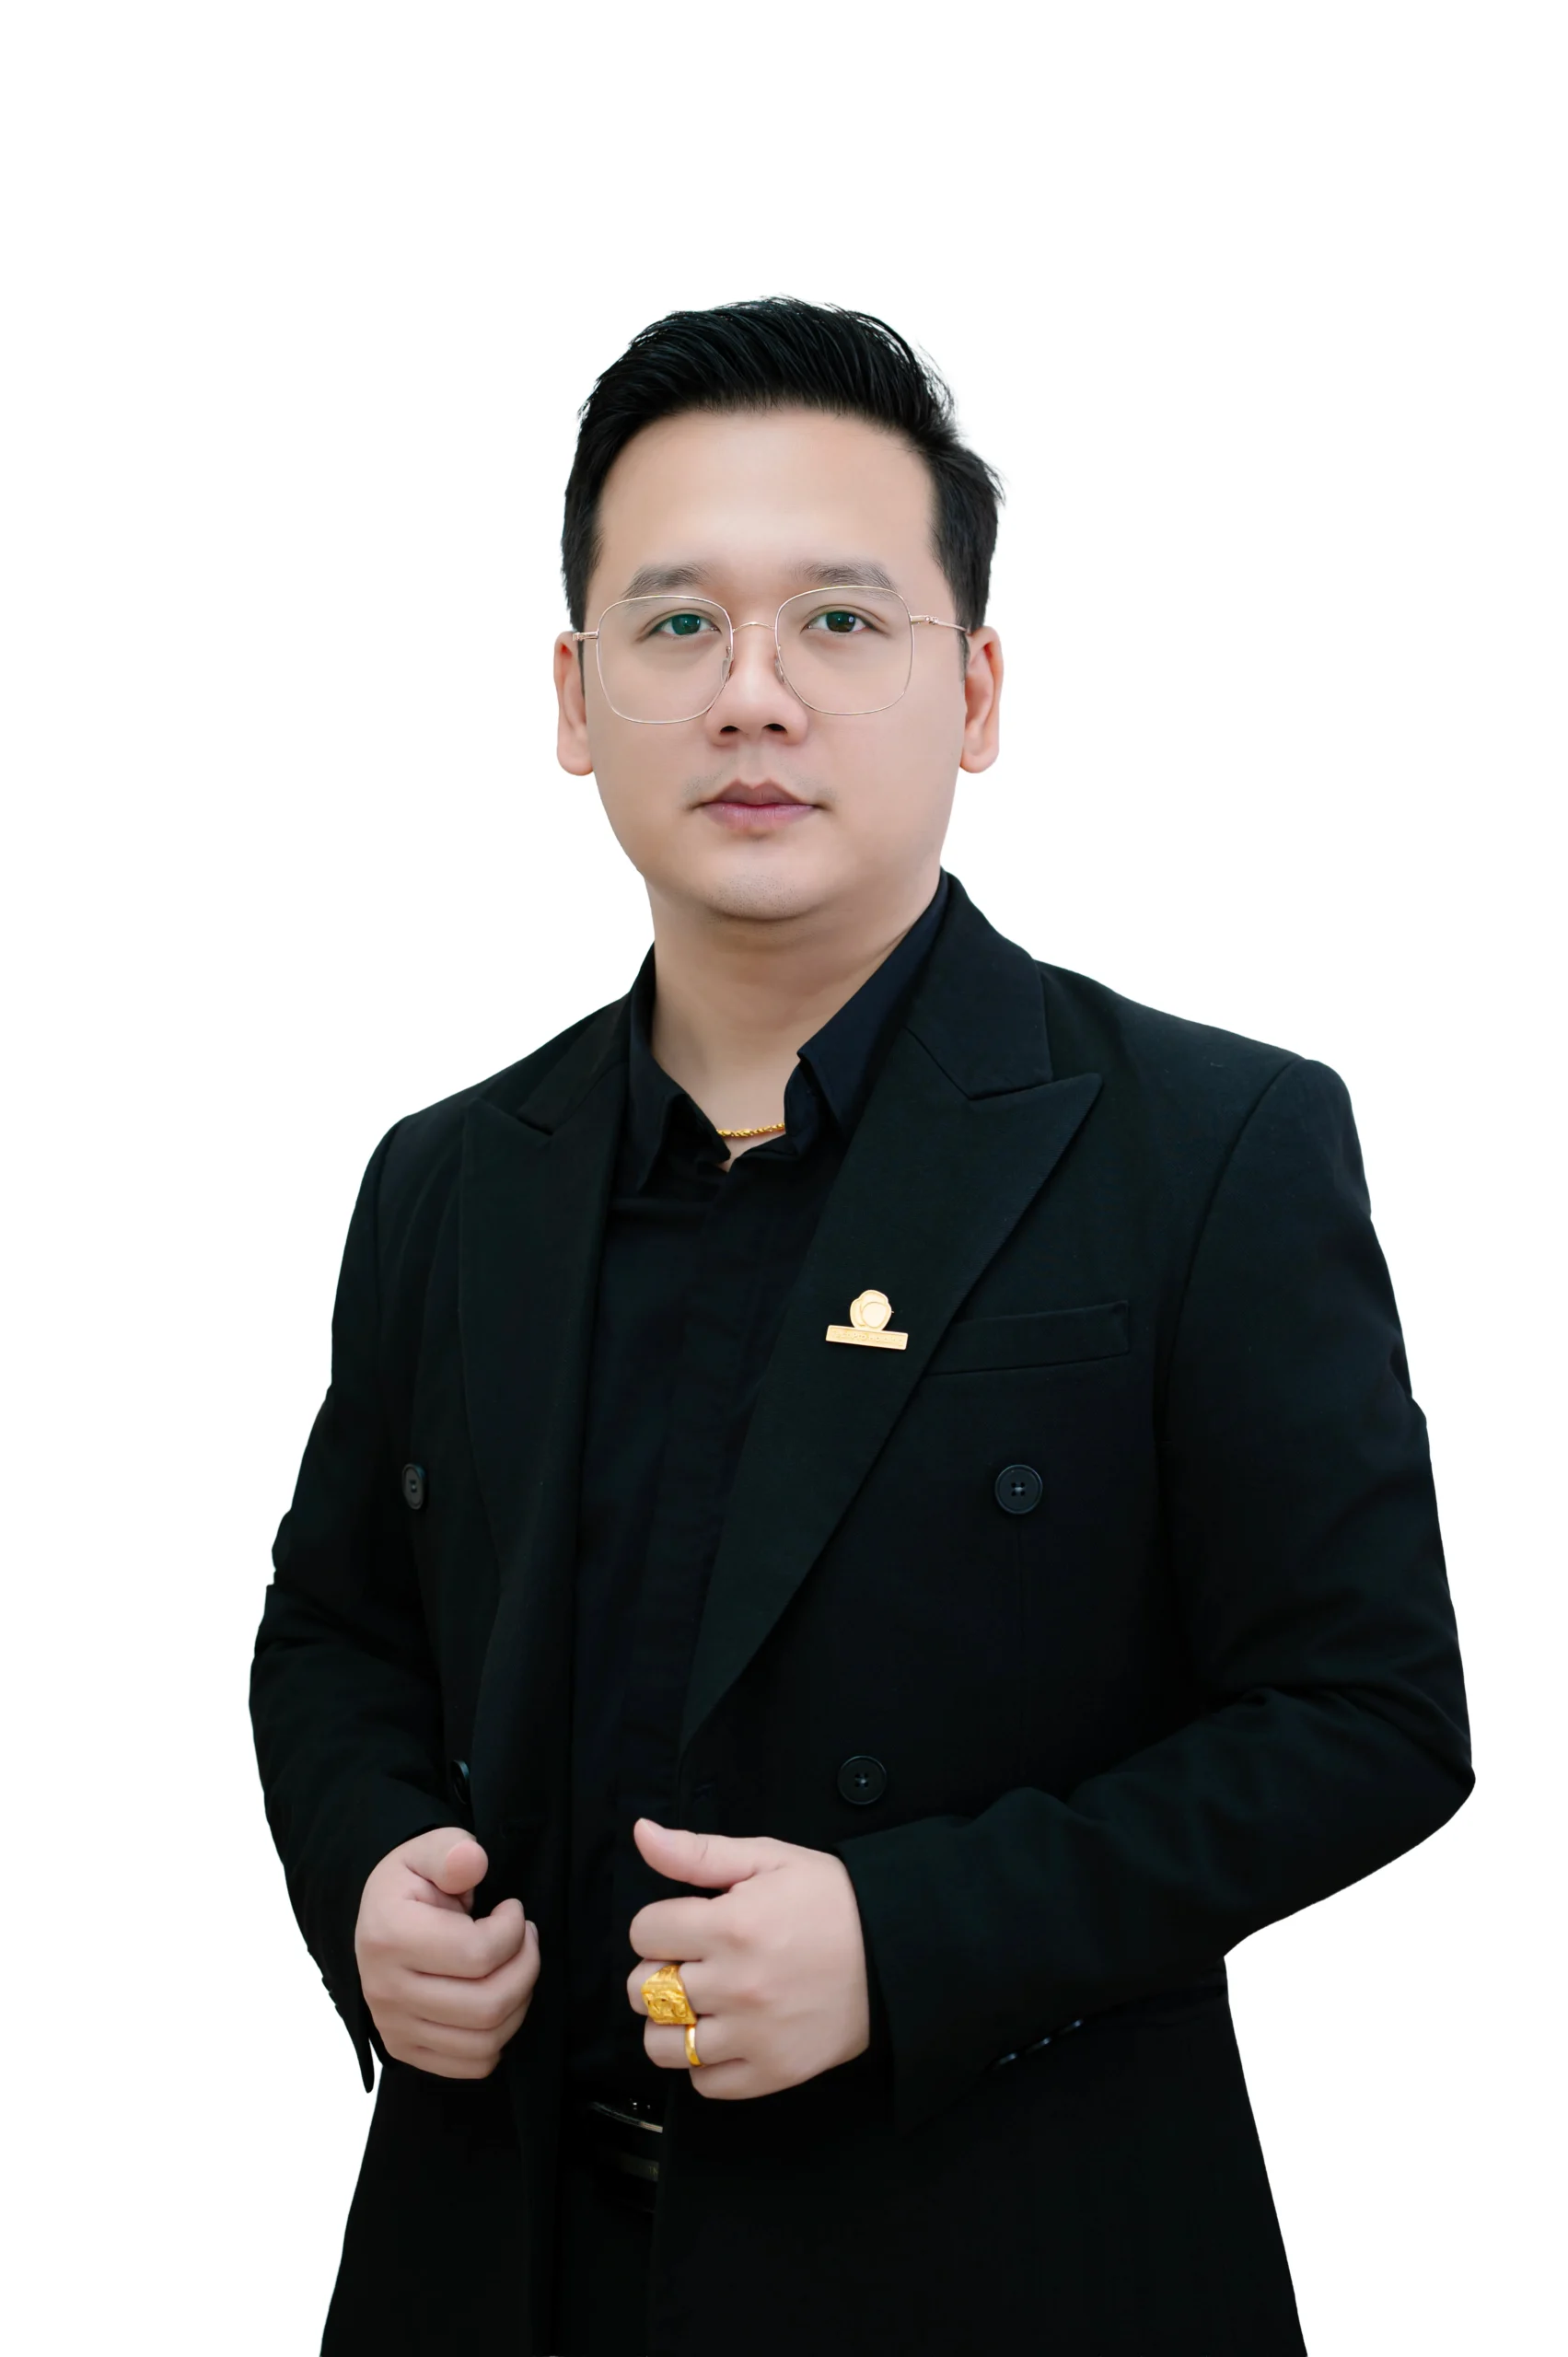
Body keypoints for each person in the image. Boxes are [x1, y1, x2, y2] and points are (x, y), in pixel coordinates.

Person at [250, 298, 1472, 2357]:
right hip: (496, 2262)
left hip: (1009, 2267)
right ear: (573, 695)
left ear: (972, 690)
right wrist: (367, 1868)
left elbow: (1366, 1717)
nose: (752, 696)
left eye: (838, 622)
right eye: (674, 626)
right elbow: (334, 1634)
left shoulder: (1209, 1144)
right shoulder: (450, 1175)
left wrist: (905, 1941)